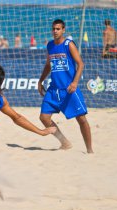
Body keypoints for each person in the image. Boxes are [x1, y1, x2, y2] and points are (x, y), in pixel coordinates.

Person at [37, 19, 93, 154]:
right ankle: (65, 142)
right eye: (53, 29)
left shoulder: (69, 44)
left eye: (58, 29)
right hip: (53, 89)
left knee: (81, 119)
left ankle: (89, 150)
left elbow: (81, 64)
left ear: (63, 30)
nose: (55, 31)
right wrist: (40, 81)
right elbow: (48, 65)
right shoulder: (50, 45)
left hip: (69, 89)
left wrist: (74, 83)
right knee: (44, 118)